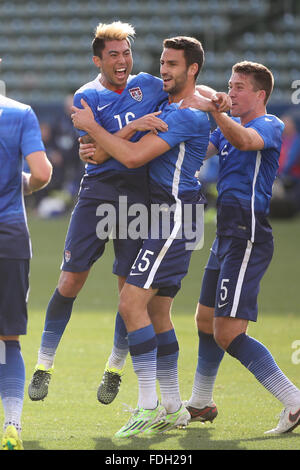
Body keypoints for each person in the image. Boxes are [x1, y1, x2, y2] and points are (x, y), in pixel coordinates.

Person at [71, 36, 212, 438]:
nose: (164, 70)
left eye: (173, 65)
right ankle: (173, 407)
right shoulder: (172, 105)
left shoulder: (185, 114)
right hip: (164, 216)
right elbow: (110, 152)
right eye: (163, 62)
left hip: (173, 215)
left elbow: (132, 157)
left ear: (192, 70)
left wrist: (92, 127)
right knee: (157, 312)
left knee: (131, 302)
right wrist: (95, 147)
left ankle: (148, 406)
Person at [27, 21, 171, 402]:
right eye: (114, 55)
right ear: (98, 60)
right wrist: (135, 127)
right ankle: (44, 364)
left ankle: (114, 368)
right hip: (99, 192)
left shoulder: (151, 86)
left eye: (126, 53)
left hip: (139, 193)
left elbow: (186, 92)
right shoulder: (85, 97)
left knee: (129, 292)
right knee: (70, 281)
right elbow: (100, 153)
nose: (122, 60)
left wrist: (215, 100)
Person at [179, 61, 300, 434]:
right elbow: (200, 151)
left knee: (229, 332)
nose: (231, 92)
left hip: (248, 235)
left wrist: (216, 111)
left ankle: (294, 402)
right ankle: (200, 402)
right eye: (230, 86)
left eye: (240, 87)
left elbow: (244, 141)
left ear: (260, 94)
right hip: (226, 236)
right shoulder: (228, 126)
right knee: (204, 319)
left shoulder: (269, 125)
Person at [0, 57, 52, 450]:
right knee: (7, 340)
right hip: (10, 239)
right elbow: (43, 173)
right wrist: (24, 184)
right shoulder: (20, 113)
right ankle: (12, 425)